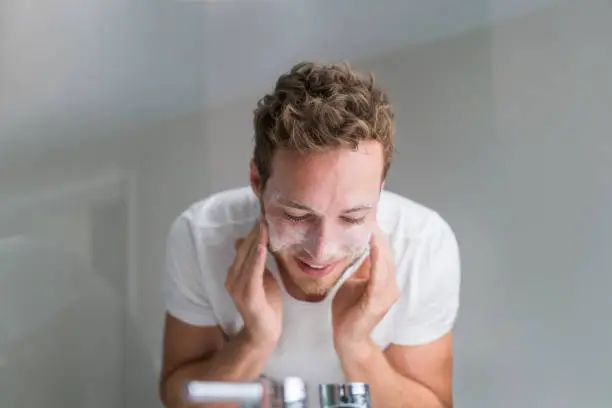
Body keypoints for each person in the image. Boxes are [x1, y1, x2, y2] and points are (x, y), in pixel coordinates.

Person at [159, 61, 461, 408]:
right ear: (257, 182)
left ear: (380, 189)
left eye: (352, 217)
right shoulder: (202, 237)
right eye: (296, 215)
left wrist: (357, 348)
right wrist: (255, 340)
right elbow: (178, 400)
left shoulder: (422, 245)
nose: (322, 250)